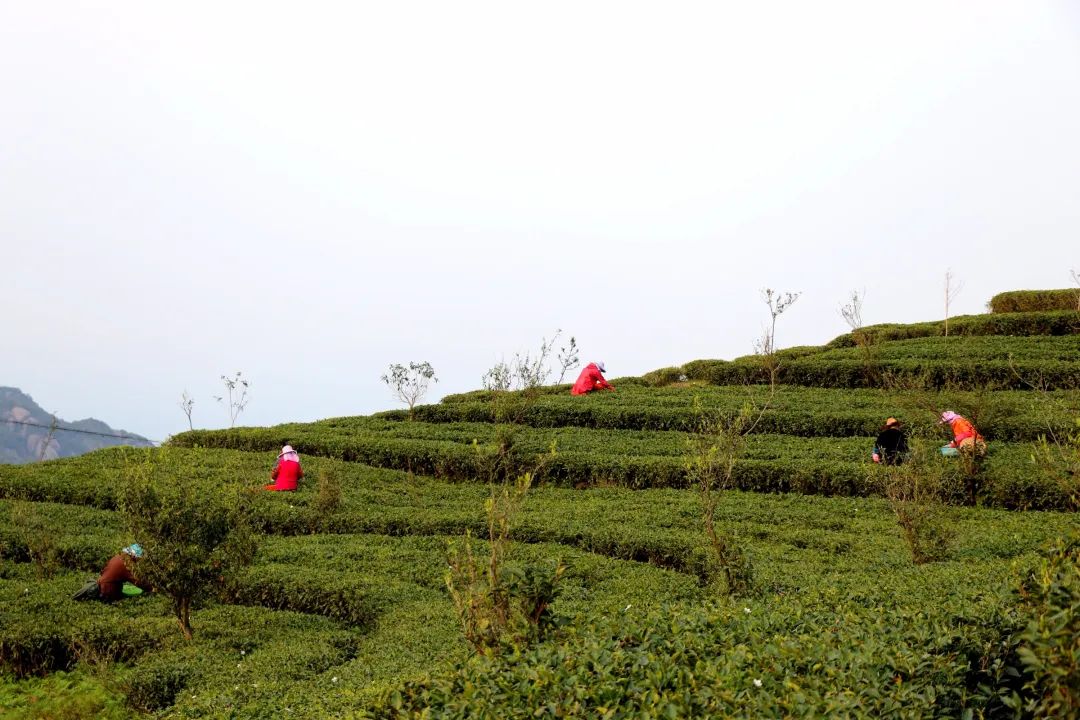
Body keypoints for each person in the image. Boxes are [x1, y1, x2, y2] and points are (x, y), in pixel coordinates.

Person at [73, 544, 151, 602]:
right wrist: (151, 588)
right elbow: (137, 581)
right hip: (108, 593)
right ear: (134, 556)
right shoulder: (127, 564)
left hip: (102, 586)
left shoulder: (117, 557)